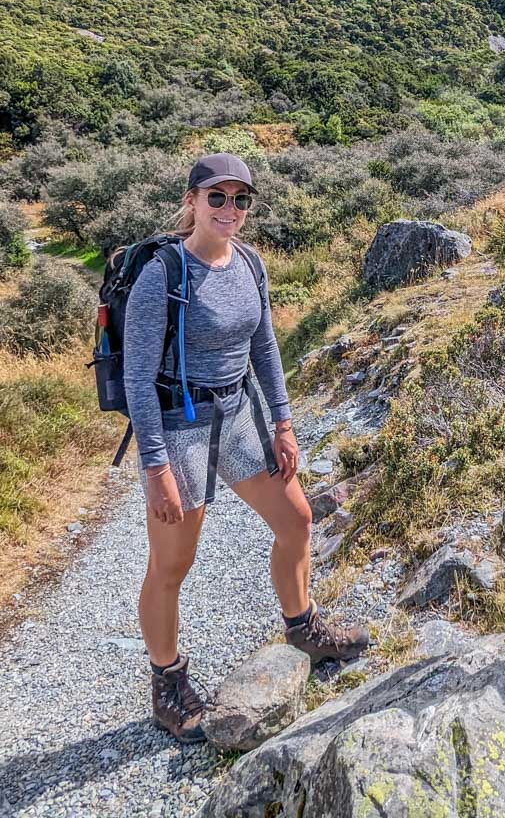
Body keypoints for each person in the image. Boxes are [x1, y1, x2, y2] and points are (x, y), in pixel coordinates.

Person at [123, 152, 369, 744]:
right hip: (181, 426)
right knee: (173, 563)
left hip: (240, 415)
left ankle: (303, 627)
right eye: (217, 197)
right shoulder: (164, 275)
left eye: (240, 199)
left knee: (297, 520)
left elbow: (265, 349)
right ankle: (167, 681)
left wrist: (284, 422)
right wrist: (156, 467)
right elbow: (136, 378)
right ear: (191, 202)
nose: (229, 209)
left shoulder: (250, 264)